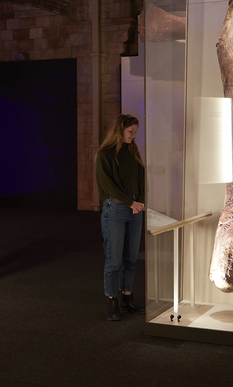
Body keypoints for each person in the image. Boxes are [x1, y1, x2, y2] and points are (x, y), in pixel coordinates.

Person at [95, 113, 146, 321]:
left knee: (131, 257)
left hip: (135, 208)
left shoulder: (133, 152)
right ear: (119, 130)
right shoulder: (105, 154)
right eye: (130, 131)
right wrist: (130, 202)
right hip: (116, 208)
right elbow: (107, 185)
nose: (133, 135)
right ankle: (112, 300)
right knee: (114, 259)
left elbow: (141, 177)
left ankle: (127, 296)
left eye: (135, 132)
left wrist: (140, 201)